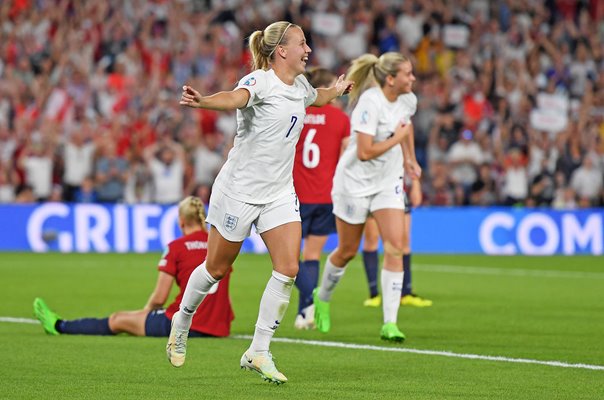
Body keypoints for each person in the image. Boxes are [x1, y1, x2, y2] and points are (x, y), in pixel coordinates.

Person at [169, 21, 353, 384]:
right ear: (281, 50)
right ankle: (183, 318)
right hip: (239, 191)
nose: (308, 50)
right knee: (216, 269)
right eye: (302, 44)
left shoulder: (299, 84)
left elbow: (316, 96)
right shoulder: (259, 82)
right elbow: (234, 98)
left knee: (288, 267)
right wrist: (204, 101)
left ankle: (259, 350)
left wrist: (336, 89)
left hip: (279, 193)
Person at [312, 52, 421, 342]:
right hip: (354, 184)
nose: (412, 79)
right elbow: (364, 152)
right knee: (347, 251)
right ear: (390, 79)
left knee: (395, 246)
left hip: (387, 183)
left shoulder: (408, 99)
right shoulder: (369, 105)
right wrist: (397, 140)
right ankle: (322, 297)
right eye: (407, 74)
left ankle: (390, 323)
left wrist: (409, 158)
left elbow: (406, 127)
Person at [33, 196, 234, 338]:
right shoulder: (218, 246)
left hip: (185, 323)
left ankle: (60, 326)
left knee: (118, 319)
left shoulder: (177, 247)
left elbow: (159, 298)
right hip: (219, 327)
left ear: (181, 222)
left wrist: (145, 314)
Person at [292, 67, 351, 330]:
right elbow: (346, 158)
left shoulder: (297, 112)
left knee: (289, 260)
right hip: (327, 196)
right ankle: (306, 311)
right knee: (312, 254)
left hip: (295, 195)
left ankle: (307, 305)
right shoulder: (340, 119)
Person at [361, 175, 433, 309]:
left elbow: (409, 158)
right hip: (372, 187)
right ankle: (374, 294)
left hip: (397, 189)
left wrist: (416, 184)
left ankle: (406, 293)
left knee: (404, 240)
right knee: (372, 238)